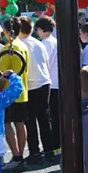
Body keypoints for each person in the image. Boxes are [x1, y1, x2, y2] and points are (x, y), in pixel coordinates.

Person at [17, 16, 53, 163]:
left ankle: (35, 152)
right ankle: (49, 150)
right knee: (44, 118)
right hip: (44, 81)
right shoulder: (38, 43)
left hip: (31, 84)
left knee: (30, 120)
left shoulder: (20, 45)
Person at [0, 17, 31, 171]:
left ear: (6, 32)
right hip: (22, 90)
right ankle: (20, 156)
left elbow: (3, 74)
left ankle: (17, 155)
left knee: (7, 124)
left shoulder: (8, 48)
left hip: (10, 93)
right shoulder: (23, 46)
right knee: (20, 123)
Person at [34, 17, 60, 157]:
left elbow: (45, 63)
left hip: (51, 83)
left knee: (51, 117)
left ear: (42, 29)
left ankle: (54, 146)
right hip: (58, 82)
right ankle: (58, 145)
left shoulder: (44, 44)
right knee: (57, 116)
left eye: (37, 29)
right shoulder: (55, 41)